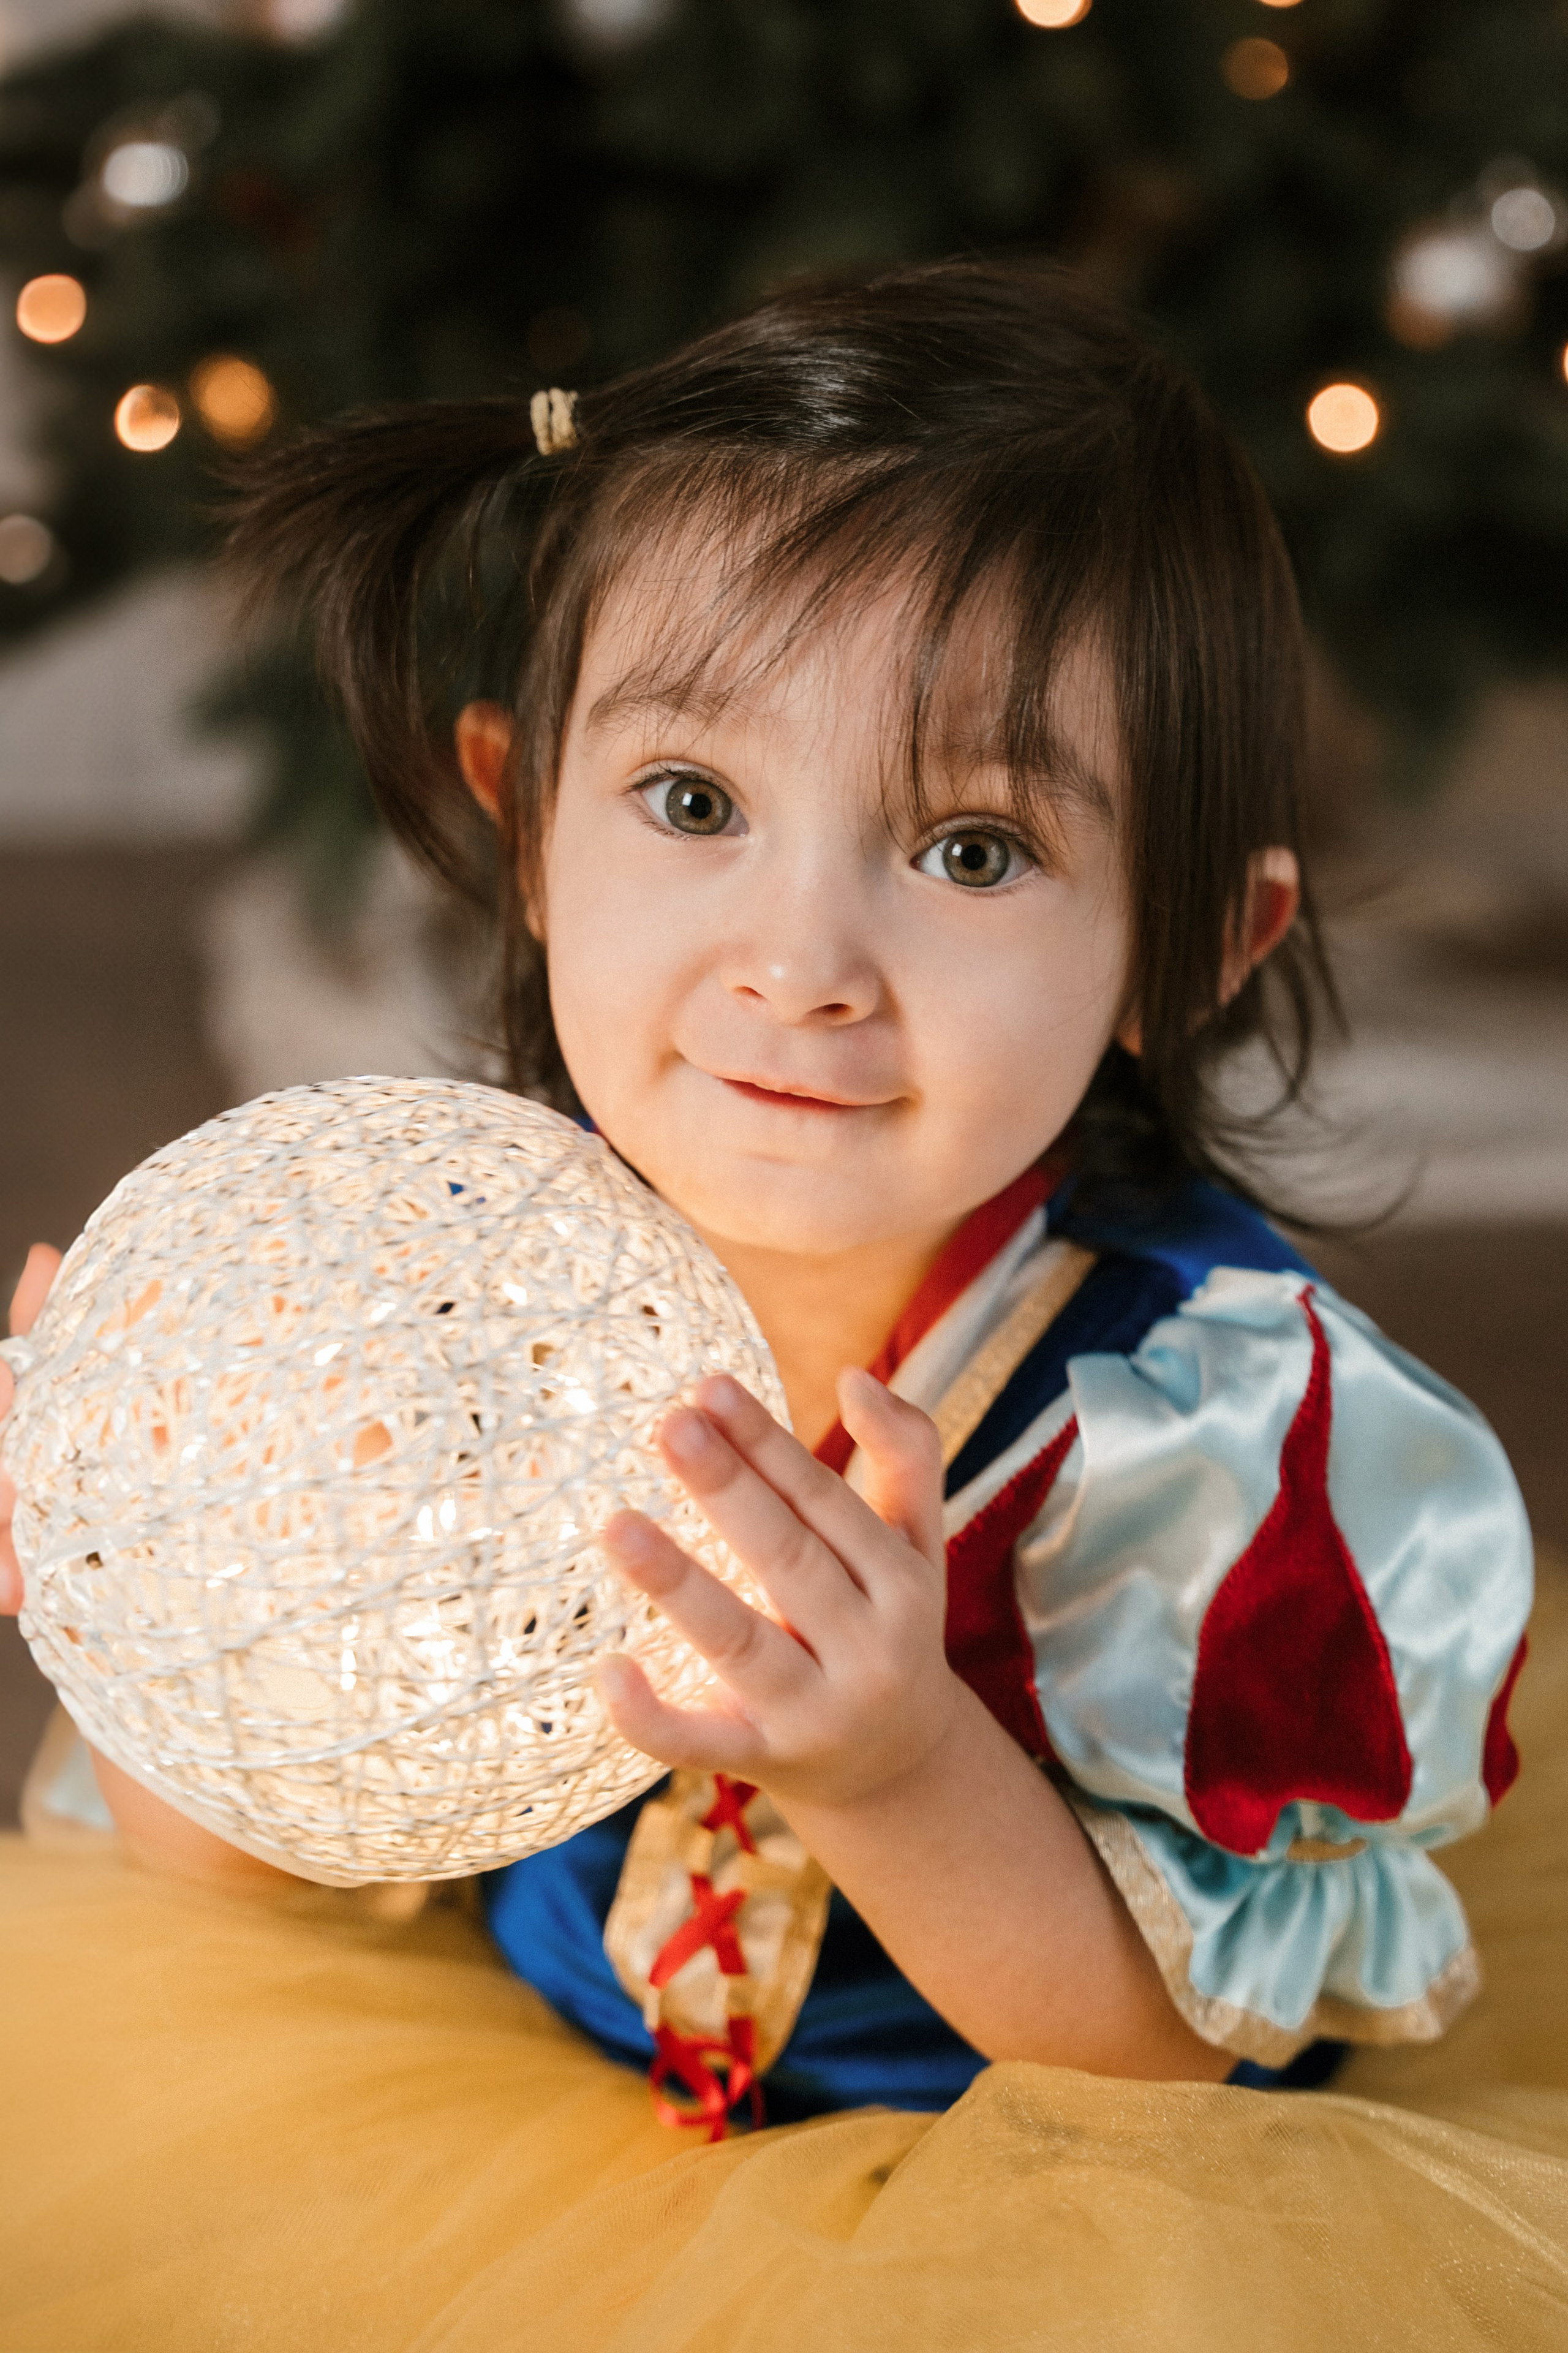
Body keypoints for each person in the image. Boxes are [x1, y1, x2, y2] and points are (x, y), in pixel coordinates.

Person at [0, 265, 1545, 2322]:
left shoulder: (1219, 1439)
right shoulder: (446, 1300)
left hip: (1030, 2214)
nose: (802, 960)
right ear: (524, 823)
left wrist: (900, 1767)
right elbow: (268, 1882)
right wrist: (156, 1619)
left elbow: (1186, 2070)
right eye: (695, 802)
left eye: (974, 848)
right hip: (512, 2126)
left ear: (1194, 945)